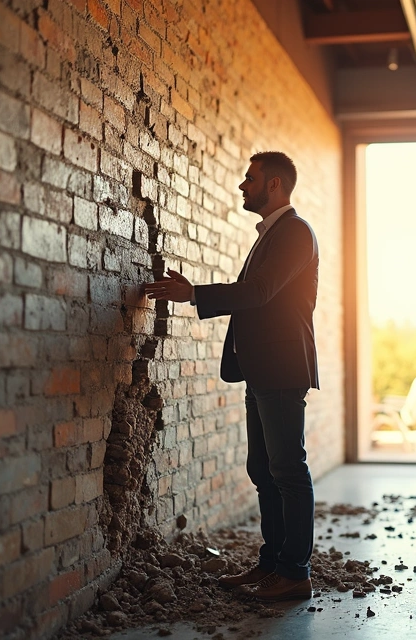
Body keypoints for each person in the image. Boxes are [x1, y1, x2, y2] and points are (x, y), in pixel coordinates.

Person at [143, 151, 319, 603]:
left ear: (274, 184)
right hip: (260, 369)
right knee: (263, 469)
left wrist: (193, 294)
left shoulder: (296, 232)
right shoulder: (271, 234)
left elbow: (259, 293)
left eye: (250, 178)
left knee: (287, 470)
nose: (244, 186)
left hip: (281, 369)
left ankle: (295, 573)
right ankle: (271, 565)